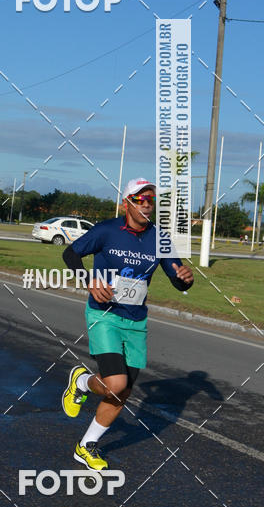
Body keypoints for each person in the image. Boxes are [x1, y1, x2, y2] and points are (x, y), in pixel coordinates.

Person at [60, 178, 194, 471]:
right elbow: (70, 253)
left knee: (122, 392)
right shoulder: (107, 230)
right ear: (127, 203)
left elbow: (176, 277)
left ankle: (85, 445)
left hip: (136, 320)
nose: (146, 204)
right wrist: (88, 280)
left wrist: (186, 278)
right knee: (116, 383)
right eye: (140, 199)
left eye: (150, 200)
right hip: (103, 315)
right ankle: (82, 382)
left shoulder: (159, 238)